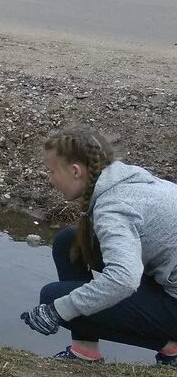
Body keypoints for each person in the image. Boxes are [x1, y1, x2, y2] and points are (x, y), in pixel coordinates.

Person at [20, 128, 177, 366]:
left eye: (52, 171)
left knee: (53, 297)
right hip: (168, 285)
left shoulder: (114, 206)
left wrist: (59, 310)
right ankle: (85, 350)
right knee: (70, 241)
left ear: (75, 171)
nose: (50, 179)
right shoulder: (130, 180)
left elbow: (123, 280)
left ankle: (172, 348)